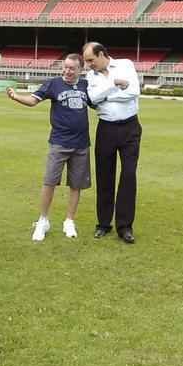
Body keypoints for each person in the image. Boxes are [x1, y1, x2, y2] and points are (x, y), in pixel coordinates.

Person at [6, 53, 92, 241]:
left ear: (80, 69)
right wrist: (15, 96)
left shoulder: (86, 85)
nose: (67, 71)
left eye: (72, 68)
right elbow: (33, 101)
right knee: (50, 182)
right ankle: (43, 220)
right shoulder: (53, 84)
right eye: (65, 67)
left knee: (76, 185)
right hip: (59, 142)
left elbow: (98, 103)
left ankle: (69, 221)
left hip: (81, 144)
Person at [82, 42, 142, 243]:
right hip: (106, 128)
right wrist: (114, 85)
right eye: (86, 61)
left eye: (91, 60)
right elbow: (93, 98)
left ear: (101, 54)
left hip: (130, 128)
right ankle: (103, 224)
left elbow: (133, 92)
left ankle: (125, 227)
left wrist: (106, 96)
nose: (89, 65)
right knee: (104, 176)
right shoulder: (91, 76)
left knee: (128, 175)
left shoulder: (126, 65)